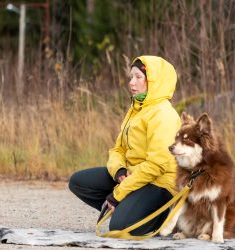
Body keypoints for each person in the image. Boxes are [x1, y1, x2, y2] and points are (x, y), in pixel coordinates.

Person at [68, 55, 181, 236]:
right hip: (132, 174)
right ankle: (129, 209)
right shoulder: (136, 109)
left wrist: (119, 193)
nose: (131, 82)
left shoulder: (164, 114)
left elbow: (156, 166)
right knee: (79, 182)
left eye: (138, 77)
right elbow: (118, 149)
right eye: (130, 77)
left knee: (120, 228)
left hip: (158, 183)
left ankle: (159, 216)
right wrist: (119, 171)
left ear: (153, 81)